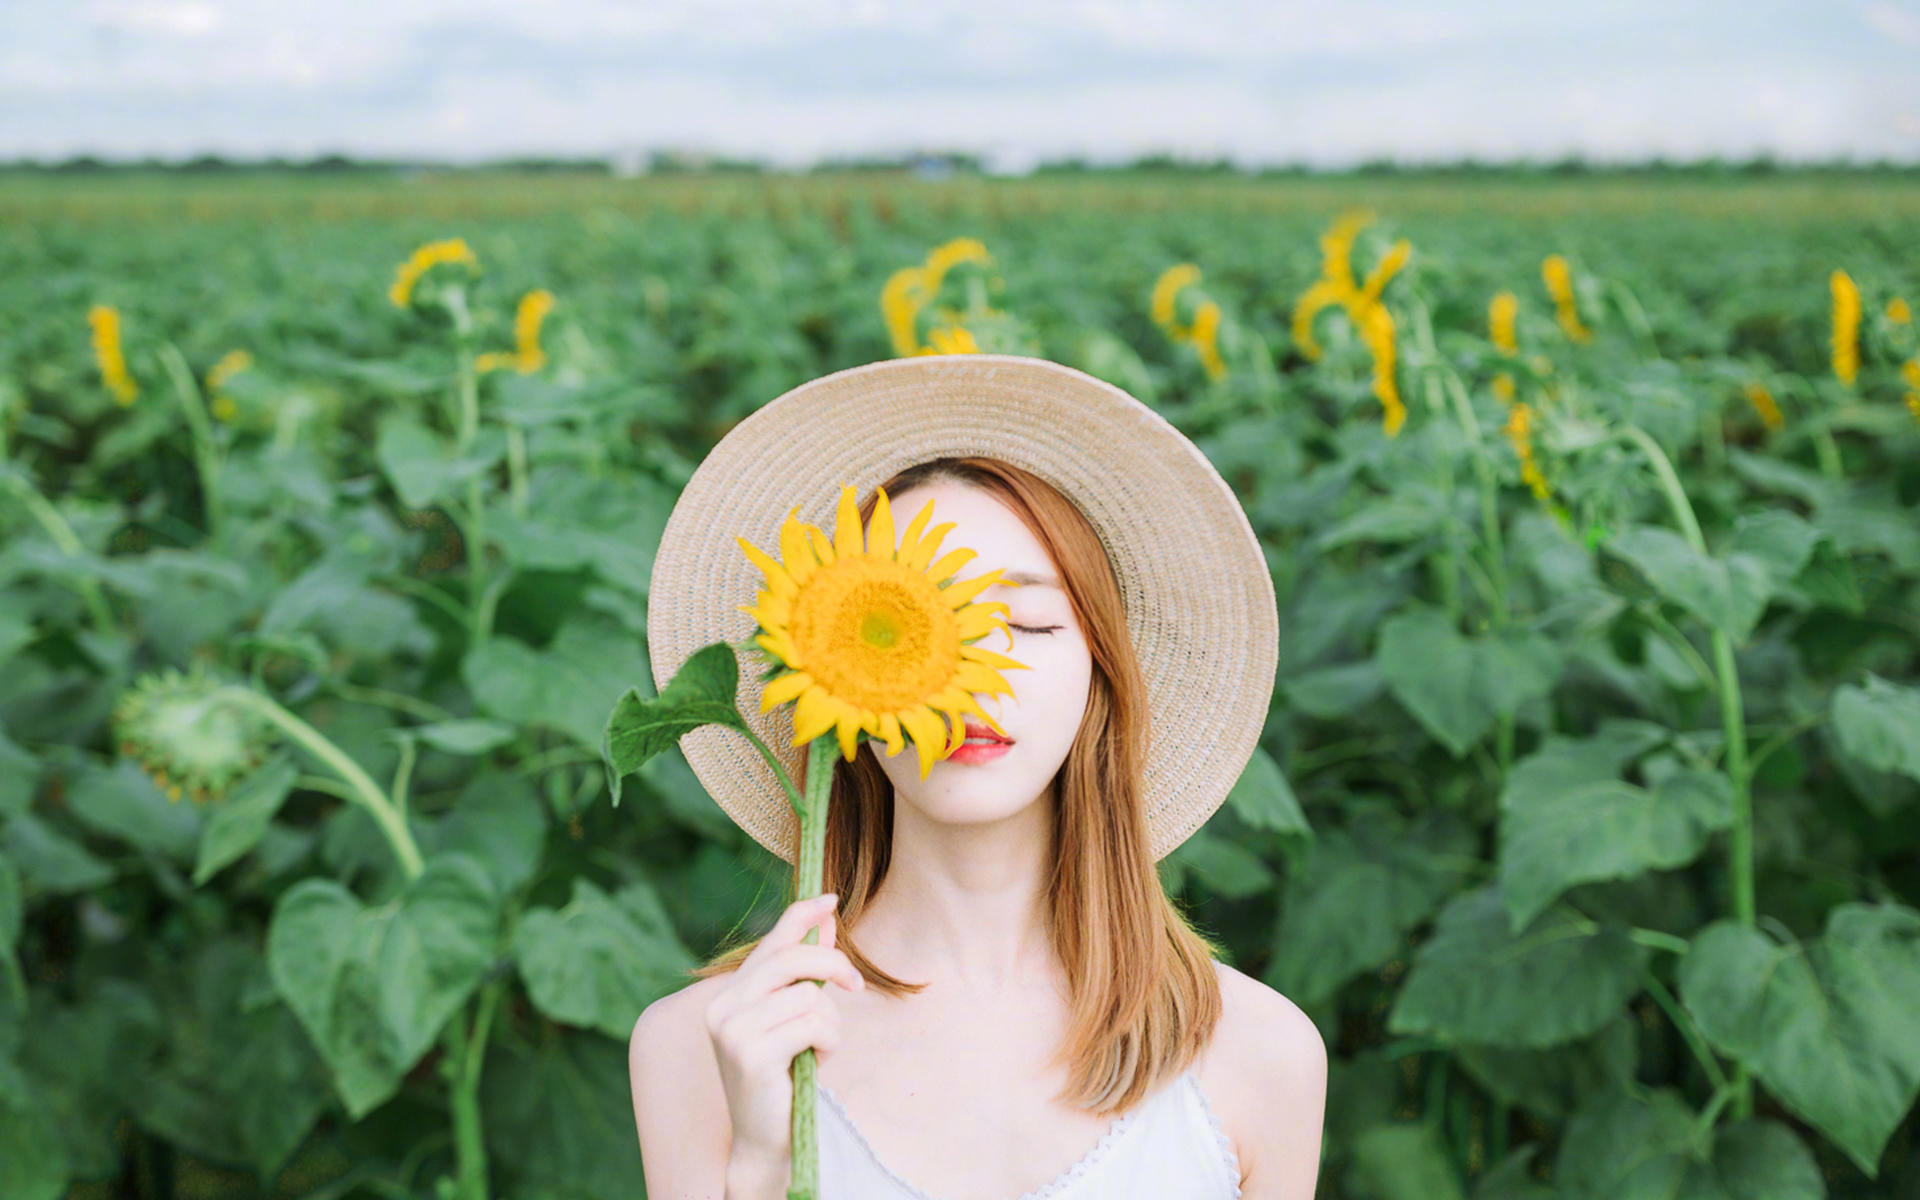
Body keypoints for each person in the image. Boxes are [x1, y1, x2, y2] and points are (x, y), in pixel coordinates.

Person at [628, 356, 1327, 1199]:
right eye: (908, 626)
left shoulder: (1256, 1053)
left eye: (1026, 622)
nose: (971, 680)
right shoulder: (702, 1051)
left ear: (1101, 673)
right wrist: (762, 1166)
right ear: (826, 677)